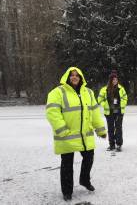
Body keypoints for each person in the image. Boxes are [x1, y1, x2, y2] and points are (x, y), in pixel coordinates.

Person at [46, 67, 107, 201]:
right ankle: (67, 191)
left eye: (77, 75)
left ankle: (84, 180)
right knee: (67, 164)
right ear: (67, 77)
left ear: (81, 78)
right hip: (67, 135)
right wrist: (62, 129)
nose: (74, 77)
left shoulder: (89, 93)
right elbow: (52, 112)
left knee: (89, 158)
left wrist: (100, 129)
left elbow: (95, 113)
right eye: (72, 75)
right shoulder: (57, 92)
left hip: (85, 135)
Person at [98, 72, 128, 152]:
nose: (115, 81)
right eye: (113, 79)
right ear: (110, 80)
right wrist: (105, 105)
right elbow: (100, 100)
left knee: (118, 128)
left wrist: (122, 104)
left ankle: (119, 145)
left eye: (116, 79)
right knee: (110, 129)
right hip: (109, 113)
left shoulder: (121, 89)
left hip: (119, 112)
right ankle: (111, 145)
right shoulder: (104, 89)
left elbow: (125, 98)